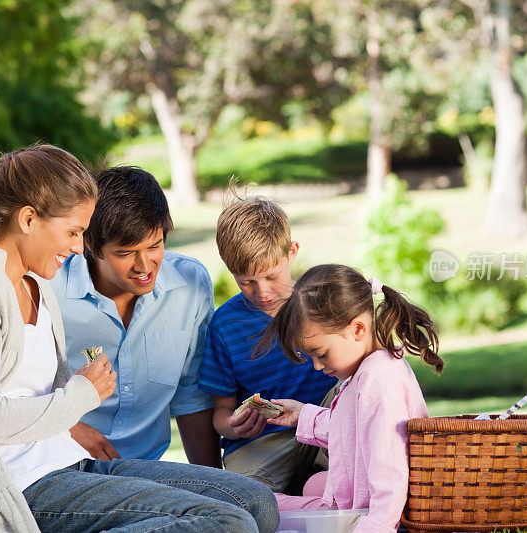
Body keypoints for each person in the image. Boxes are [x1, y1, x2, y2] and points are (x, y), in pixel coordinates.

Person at [0, 145, 278, 532]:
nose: (78, 247)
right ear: (28, 220)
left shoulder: (34, 282)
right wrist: (81, 395)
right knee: (228, 522)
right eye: (74, 232)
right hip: (9, 485)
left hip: (64, 463)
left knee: (256, 503)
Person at [50, 166, 221, 466]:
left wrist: (212, 483)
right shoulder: (50, 290)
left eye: (155, 246)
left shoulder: (190, 287)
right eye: (126, 253)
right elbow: (16, 392)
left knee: (246, 500)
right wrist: (67, 428)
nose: (145, 266)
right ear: (92, 246)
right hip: (63, 465)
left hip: (147, 472)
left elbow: (190, 395)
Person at [255, 264, 444, 533]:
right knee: (311, 485)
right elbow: (355, 430)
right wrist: (302, 416)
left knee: (256, 503)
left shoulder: (378, 381)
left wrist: (374, 527)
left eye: (320, 353)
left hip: (370, 515)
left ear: (357, 329)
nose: (318, 366)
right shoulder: (367, 369)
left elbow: (390, 476)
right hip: (355, 501)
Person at [198, 195, 337, 493]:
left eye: (271, 276)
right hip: (262, 442)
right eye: (246, 281)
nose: (261, 292)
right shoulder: (224, 325)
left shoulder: (323, 302)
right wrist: (232, 426)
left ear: (292, 252)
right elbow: (221, 413)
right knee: (244, 497)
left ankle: (321, 488)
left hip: (325, 428)